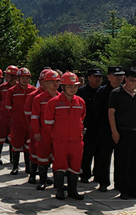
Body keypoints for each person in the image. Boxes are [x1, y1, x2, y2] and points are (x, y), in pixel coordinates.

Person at [108, 67, 136, 200]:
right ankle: (124, 190)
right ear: (125, 78)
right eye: (131, 80)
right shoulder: (116, 93)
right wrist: (114, 131)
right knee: (123, 163)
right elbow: (111, 113)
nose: (134, 83)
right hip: (123, 132)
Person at [44, 72, 85, 200]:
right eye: (70, 86)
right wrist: (56, 136)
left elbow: (82, 119)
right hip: (60, 141)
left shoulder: (80, 102)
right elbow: (48, 123)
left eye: (75, 86)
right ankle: (60, 190)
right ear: (63, 87)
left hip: (76, 141)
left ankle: (73, 190)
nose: (73, 89)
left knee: (75, 165)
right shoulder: (53, 102)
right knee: (60, 165)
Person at [93, 66, 124, 192]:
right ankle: (103, 182)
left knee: (121, 158)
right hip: (105, 130)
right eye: (116, 75)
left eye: (121, 75)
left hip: (122, 129)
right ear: (109, 77)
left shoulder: (126, 91)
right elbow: (96, 112)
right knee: (104, 157)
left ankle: (119, 183)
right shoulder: (102, 92)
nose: (119, 78)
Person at [30, 70, 60, 190]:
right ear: (45, 83)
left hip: (57, 134)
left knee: (56, 157)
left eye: (57, 81)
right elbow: (34, 116)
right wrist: (36, 132)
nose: (55, 84)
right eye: (51, 81)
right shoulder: (39, 98)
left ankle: (55, 181)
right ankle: (42, 180)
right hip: (43, 133)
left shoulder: (61, 98)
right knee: (43, 157)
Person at [4, 67, 36, 176]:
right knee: (16, 145)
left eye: (27, 78)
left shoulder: (33, 91)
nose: (25, 80)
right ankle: (15, 167)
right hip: (17, 122)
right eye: (23, 78)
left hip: (29, 123)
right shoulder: (12, 91)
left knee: (28, 146)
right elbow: (8, 106)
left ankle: (28, 167)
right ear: (18, 78)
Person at [76, 68, 102, 183]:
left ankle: (98, 174)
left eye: (100, 77)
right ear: (89, 77)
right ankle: (85, 174)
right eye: (95, 76)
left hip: (101, 127)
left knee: (101, 154)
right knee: (86, 153)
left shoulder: (104, 92)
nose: (98, 79)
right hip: (86, 127)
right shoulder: (81, 92)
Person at [0, 66, 19, 165]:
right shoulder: (2, 88)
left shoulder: (18, 88)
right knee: (0, 136)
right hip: (3, 116)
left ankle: (12, 157)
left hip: (13, 117)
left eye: (8, 75)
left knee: (13, 137)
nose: (5, 77)